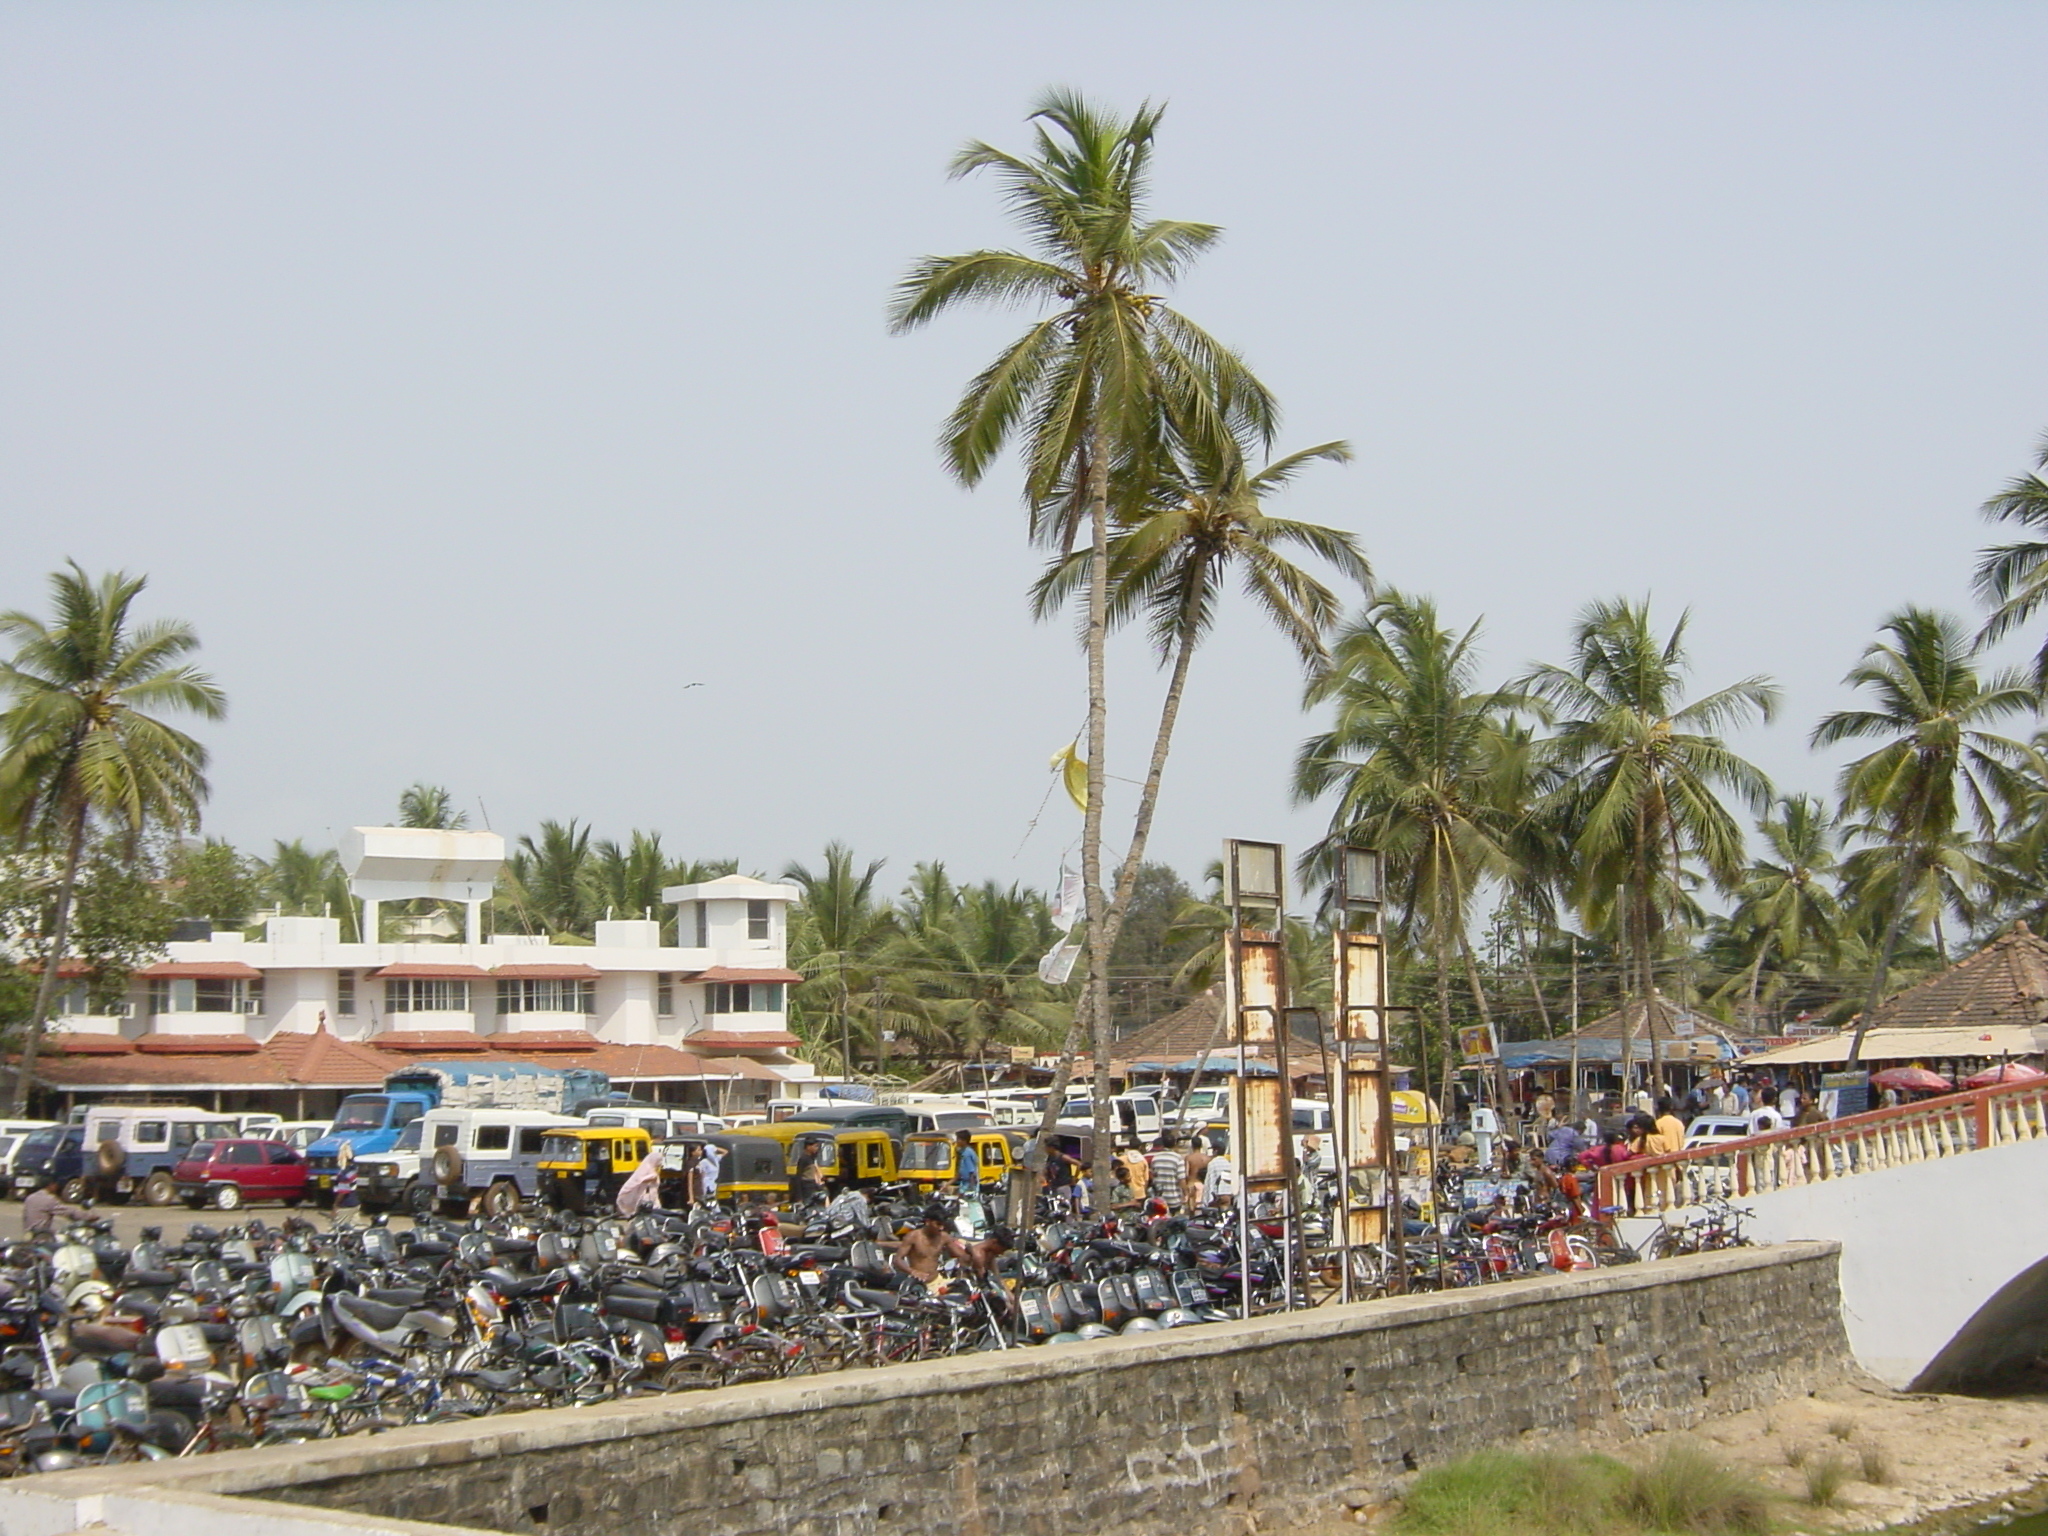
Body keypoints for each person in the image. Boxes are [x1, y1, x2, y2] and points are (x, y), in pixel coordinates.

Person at [892, 1207, 952, 1287]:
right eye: (938, 1224)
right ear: (928, 1222)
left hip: (937, 1281)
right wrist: (913, 1272)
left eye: (943, 1225)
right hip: (919, 1283)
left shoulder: (944, 1237)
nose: (941, 1228)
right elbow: (897, 1260)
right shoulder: (913, 1236)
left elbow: (960, 1254)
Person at [22, 1178, 86, 1235]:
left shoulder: (30, 1197)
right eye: (55, 1185)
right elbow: (68, 1211)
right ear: (51, 1185)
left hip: (28, 1232)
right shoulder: (49, 1199)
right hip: (41, 1235)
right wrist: (88, 1216)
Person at [1146, 1138, 1187, 1214]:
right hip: (1174, 1199)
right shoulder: (1177, 1158)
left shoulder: (1155, 1158)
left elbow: (1153, 1175)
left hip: (1159, 1200)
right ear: (1175, 1144)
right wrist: (1185, 1194)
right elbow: (1182, 1179)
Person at [953, 1130, 980, 1196]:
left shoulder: (967, 1153)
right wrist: (947, 1184)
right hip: (963, 1184)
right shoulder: (962, 1152)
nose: (956, 1141)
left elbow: (972, 1173)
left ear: (964, 1141)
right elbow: (959, 1174)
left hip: (968, 1186)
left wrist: (971, 1189)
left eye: (958, 1139)